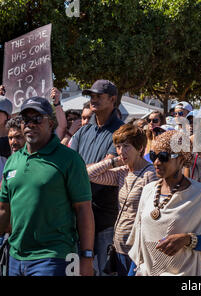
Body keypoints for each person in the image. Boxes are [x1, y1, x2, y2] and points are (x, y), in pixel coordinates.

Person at [0, 97, 95, 276]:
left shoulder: (69, 159)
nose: (30, 124)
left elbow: (83, 210)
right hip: (15, 257)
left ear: (51, 123)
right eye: (25, 120)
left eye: (37, 118)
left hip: (54, 257)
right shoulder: (13, 160)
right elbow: (4, 209)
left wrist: (87, 257)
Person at [127, 130, 201, 275]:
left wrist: (187, 239)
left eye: (164, 157)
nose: (157, 162)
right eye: (154, 156)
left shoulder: (200, 194)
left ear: (182, 159)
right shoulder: (148, 191)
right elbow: (139, 244)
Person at [87, 123, 157, 275]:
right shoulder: (122, 172)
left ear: (139, 148)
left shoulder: (150, 174)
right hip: (119, 246)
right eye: (118, 147)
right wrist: (113, 161)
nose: (121, 151)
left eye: (126, 146)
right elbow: (89, 175)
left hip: (138, 248)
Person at [70, 79, 124, 276]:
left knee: (106, 272)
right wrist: (93, 169)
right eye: (91, 96)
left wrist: (82, 171)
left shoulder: (121, 133)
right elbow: (71, 168)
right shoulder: (82, 131)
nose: (93, 100)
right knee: (76, 273)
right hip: (76, 217)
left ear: (112, 99)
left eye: (99, 96)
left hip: (105, 219)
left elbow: (107, 167)